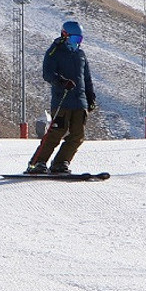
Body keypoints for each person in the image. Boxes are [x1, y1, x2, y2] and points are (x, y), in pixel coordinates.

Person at [25, 21, 95, 175]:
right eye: (74, 39)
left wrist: (90, 97)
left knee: (77, 135)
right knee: (56, 133)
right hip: (62, 100)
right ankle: (37, 163)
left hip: (80, 102)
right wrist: (62, 82)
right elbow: (47, 73)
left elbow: (87, 78)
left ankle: (60, 162)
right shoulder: (54, 51)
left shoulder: (80, 54)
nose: (77, 43)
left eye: (79, 40)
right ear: (64, 35)